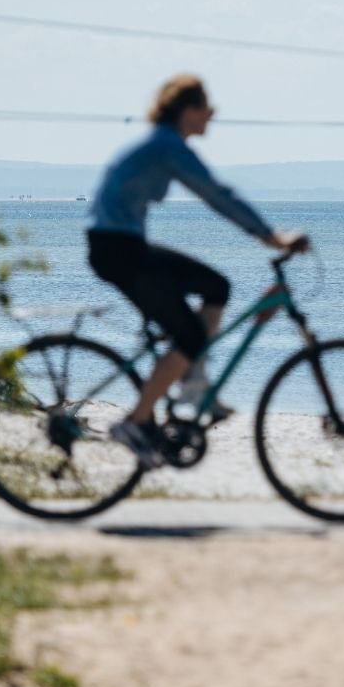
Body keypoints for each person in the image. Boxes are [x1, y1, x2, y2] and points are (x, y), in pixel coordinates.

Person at [86, 74, 308, 467]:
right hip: (116, 248)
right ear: (188, 110)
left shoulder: (164, 143)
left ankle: (193, 380)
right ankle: (136, 421)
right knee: (188, 335)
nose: (211, 117)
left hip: (122, 243)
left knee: (216, 286)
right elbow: (215, 193)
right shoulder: (167, 146)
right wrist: (269, 235)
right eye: (208, 109)